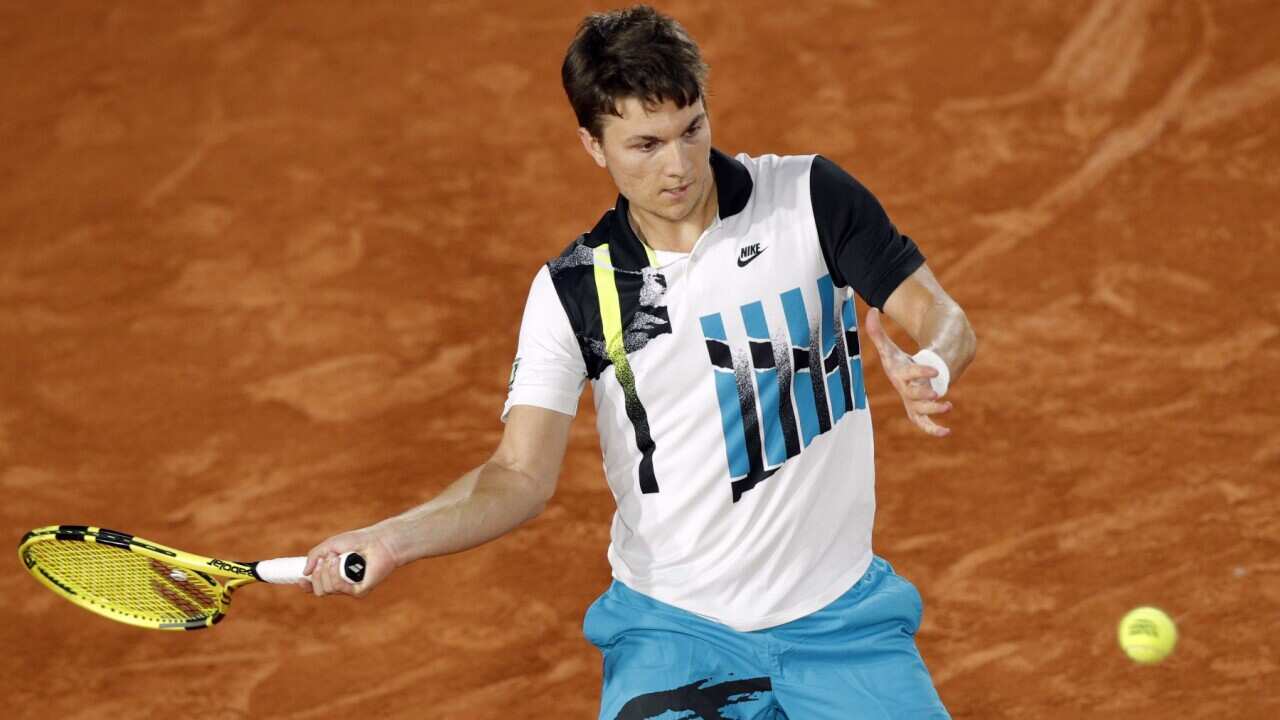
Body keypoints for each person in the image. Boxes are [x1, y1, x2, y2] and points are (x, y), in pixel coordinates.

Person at [302, 5, 976, 718]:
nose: (680, 165)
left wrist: (934, 361)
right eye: (646, 144)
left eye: (692, 129)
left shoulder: (807, 200)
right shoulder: (575, 289)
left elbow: (941, 314)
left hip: (843, 623)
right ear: (593, 145)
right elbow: (519, 474)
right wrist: (391, 540)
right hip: (675, 633)